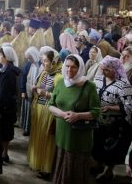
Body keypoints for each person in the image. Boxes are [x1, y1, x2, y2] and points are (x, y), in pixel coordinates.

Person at [49, 54, 100, 184]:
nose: (69, 70)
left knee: (74, 171)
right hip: (62, 135)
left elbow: (96, 111)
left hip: (79, 138)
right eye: (67, 66)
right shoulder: (61, 83)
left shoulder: (89, 86)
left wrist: (78, 116)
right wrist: (61, 114)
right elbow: (50, 105)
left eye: (74, 67)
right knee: (61, 165)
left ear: (80, 68)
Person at [92, 56, 132, 181]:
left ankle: (109, 171)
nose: (103, 72)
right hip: (98, 120)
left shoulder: (124, 84)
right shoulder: (99, 78)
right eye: (102, 69)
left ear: (115, 70)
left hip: (114, 124)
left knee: (110, 148)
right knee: (98, 144)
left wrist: (111, 108)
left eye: (106, 70)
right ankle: (98, 164)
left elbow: (129, 105)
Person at [27, 48, 62, 179]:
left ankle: (46, 168)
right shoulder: (44, 73)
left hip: (49, 112)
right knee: (38, 136)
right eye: (42, 61)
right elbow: (39, 88)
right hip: (39, 109)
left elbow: (60, 98)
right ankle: (38, 163)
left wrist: (46, 94)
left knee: (47, 140)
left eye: (46, 61)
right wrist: (36, 88)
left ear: (54, 62)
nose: (43, 63)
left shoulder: (59, 78)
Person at [0, 44, 20, 163]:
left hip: (6, 106)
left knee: (5, 130)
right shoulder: (0, 66)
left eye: (0, 54)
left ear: (6, 57)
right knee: (2, 130)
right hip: (2, 104)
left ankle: (4, 154)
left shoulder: (9, 72)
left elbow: (3, 92)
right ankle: (2, 153)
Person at [20, 46, 41, 136]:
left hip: (38, 92)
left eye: (30, 57)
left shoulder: (40, 64)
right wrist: (23, 91)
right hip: (28, 92)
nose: (29, 59)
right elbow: (23, 79)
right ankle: (27, 129)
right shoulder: (27, 65)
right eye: (28, 58)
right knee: (28, 111)